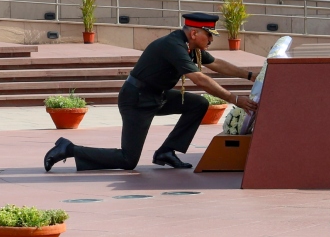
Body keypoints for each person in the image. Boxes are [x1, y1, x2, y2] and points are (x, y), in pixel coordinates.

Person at [43, 13, 260, 172]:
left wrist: (251, 76)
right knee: (128, 160)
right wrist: (234, 99)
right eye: (208, 35)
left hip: (158, 95)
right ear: (194, 33)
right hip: (136, 99)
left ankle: (166, 151)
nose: (211, 40)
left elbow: (218, 65)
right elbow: (200, 79)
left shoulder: (190, 47)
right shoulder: (173, 45)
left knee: (198, 104)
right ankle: (69, 148)